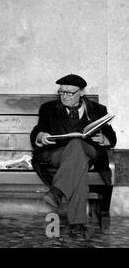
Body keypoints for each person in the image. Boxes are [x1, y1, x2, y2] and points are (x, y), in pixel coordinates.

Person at [30, 74, 117, 237]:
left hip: (89, 152)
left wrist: (104, 139)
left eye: (69, 93)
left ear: (82, 92)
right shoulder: (48, 108)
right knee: (78, 161)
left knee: (78, 146)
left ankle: (58, 192)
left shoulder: (98, 110)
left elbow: (111, 137)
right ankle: (77, 223)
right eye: (61, 92)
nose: (64, 96)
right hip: (57, 153)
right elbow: (37, 130)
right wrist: (41, 136)